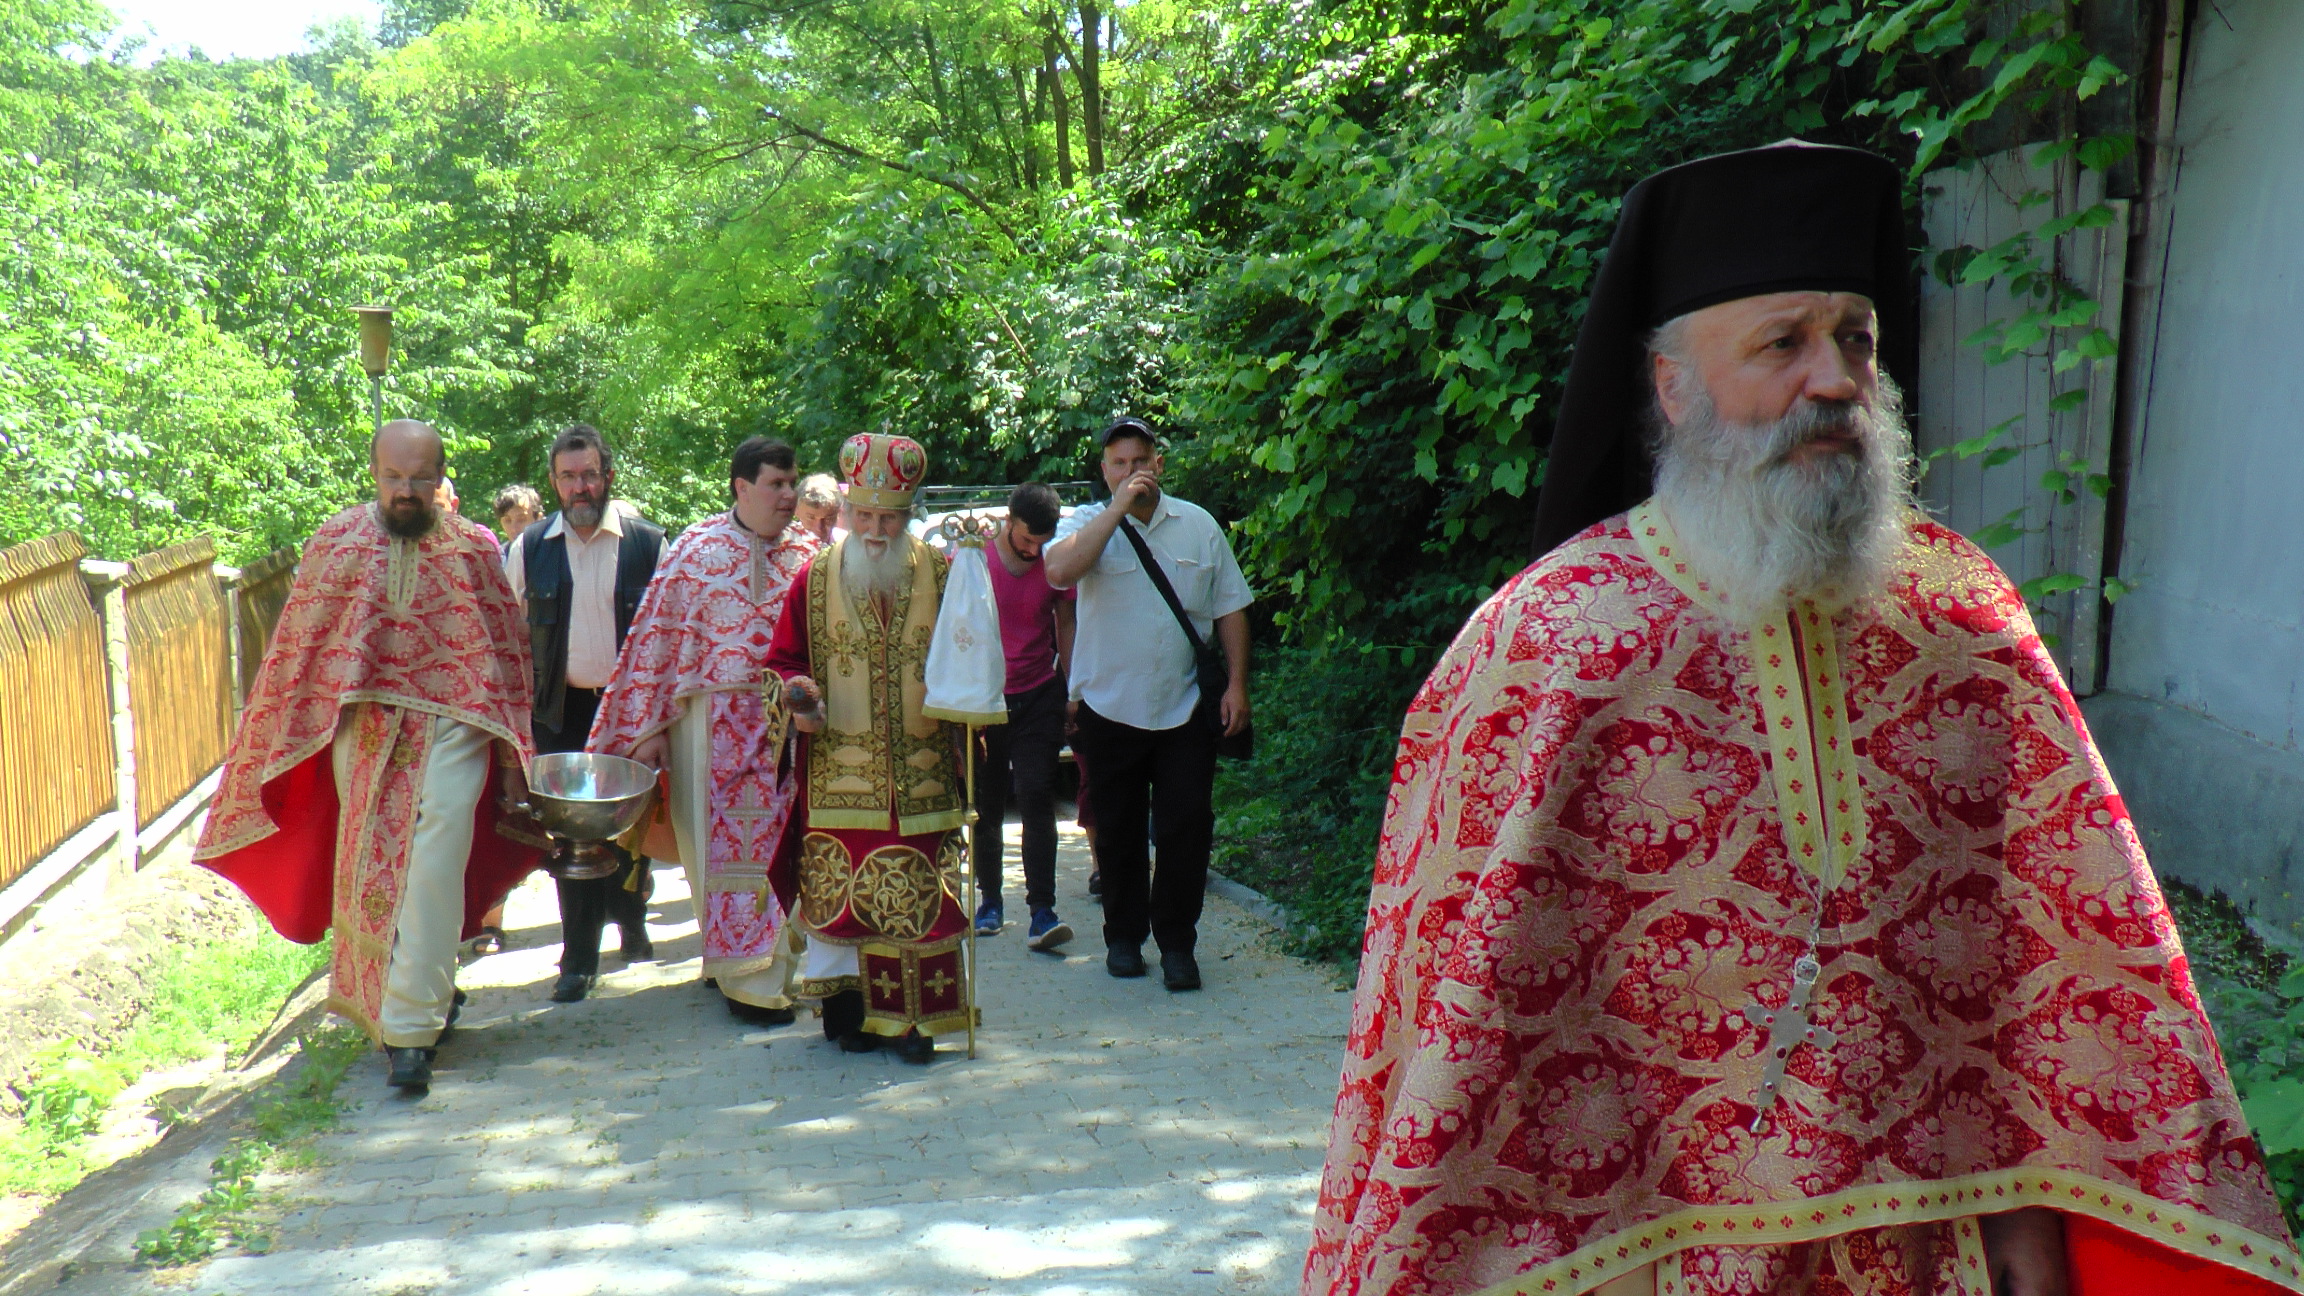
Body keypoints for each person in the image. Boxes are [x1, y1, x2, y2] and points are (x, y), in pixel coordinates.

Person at [1303, 143, 2299, 1296]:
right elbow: (1460, 1023)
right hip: (1642, 1259)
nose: (1836, 380)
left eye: (1856, 341)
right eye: (1784, 344)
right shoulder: (1550, 645)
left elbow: (2053, 971)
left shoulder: (1964, 620)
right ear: (1674, 385)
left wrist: (2039, 1208)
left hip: (1932, 1245)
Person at [194, 420, 541, 1095]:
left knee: (435, 864)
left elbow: (506, 655)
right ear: (375, 473)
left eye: (420, 478)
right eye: (393, 477)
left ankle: (410, 1032)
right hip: (365, 728)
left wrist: (510, 762)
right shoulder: (338, 540)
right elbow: (301, 647)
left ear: (441, 478)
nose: (406, 491)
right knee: (373, 865)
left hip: (454, 728)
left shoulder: (474, 548)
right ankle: (416, 997)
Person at [587, 437, 825, 1025]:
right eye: (776, 484)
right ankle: (741, 973)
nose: (789, 495)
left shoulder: (812, 554)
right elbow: (655, 640)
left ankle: (768, 976)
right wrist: (648, 726)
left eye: (792, 483)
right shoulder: (695, 549)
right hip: (708, 725)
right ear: (742, 487)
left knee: (785, 847)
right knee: (717, 854)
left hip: (788, 730)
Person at [766, 431, 969, 1065]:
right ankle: (849, 1013)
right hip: (838, 778)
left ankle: (914, 1023)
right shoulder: (814, 579)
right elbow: (782, 662)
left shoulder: (943, 574)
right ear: (848, 512)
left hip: (922, 774)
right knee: (841, 898)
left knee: (919, 897)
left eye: (890, 519)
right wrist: (796, 698)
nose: (876, 532)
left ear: (909, 516)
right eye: (865, 517)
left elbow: (970, 662)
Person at [1043, 418, 1252, 992]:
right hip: (1109, 706)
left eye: (1140, 461)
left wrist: (1237, 684)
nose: (1132, 471)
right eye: (1119, 463)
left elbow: (1231, 607)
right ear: (1104, 470)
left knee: (1187, 827)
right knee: (1117, 829)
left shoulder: (1198, 526)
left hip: (1185, 706)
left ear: (1159, 464)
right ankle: (1124, 939)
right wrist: (1117, 509)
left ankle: (1178, 944)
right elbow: (1058, 571)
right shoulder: (1087, 524)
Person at [505, 424, 667, 1004]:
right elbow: (505, 636)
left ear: (608, 477)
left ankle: (631, 921)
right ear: (554, 483)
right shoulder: (528, 549)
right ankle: (577, 960)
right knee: (574, 836)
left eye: (590, 475)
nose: (581, 487)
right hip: (561, 712)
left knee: (628, 830)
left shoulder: (648, 544)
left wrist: (657, 722)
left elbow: (669, 639)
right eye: (569, 477)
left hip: (629, 711)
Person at [971, 481, 1077, 952]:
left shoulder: (1055, 564)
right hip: (987, 697)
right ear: (1008, 521)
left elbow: (1066, 623)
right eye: (1026, 539)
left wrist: (1073, 689)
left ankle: (1042, 911)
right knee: (987, 804)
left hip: (1039, 693)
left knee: (1036, 795)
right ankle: (990, 901)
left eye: (1042, 541)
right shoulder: (976, 560)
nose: (1034, 550)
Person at [794, 472, 842, 544]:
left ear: (838, 513)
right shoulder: (782, 546)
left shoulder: (848, 545)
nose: (819, 528)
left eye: (828, 519)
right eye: (811, 517)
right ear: (796, 510)